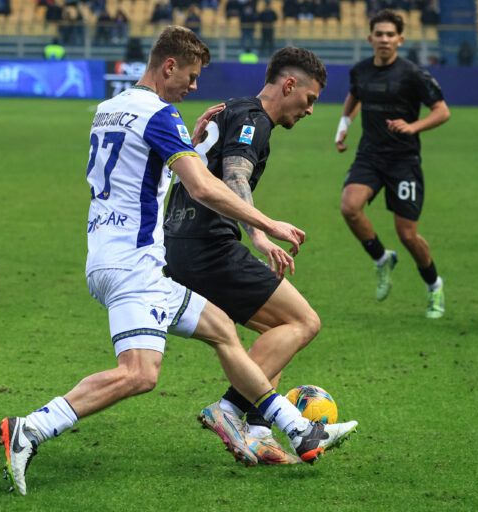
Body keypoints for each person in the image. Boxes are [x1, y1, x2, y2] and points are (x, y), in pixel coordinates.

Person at [0, 26, 357, 496]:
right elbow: (204, 187)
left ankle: (297, 428)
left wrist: (191, 140)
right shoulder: (160, 115)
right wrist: (266, 225)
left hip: (111, 252)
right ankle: (30, 428)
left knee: (223, 331)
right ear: (169, 66)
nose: (193, 86)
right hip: (134, 264)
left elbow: (139, 168)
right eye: (190, 76)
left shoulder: (109, 109)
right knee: (139, 373)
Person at [163, 47, 327, 465]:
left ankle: (259, 432)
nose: (310, 110)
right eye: (309, 99)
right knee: (303, 321)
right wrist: (261, 230)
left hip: (180, 241)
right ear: (289, 85)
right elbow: (236, 175)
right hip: (208, 244)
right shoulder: (255, 120)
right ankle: (229, 410)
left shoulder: (230, 109)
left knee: (278, 330)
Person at [334, 10, 450, 319]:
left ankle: (434, 285)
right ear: (370, 38)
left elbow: (442, 111)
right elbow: (355, 96)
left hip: (403, 160)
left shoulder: (414, 74)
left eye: (390, 34)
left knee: (408, 235)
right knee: (350, 207)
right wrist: (344, 125)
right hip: (370, 155)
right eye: (379, 34)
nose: (384, 39)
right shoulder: (360, 70)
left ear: (400, 39)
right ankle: (381, 258)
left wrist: (413, 127)